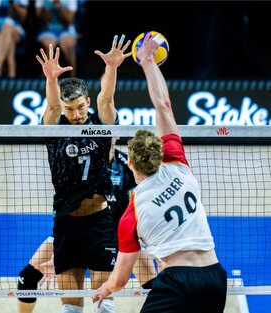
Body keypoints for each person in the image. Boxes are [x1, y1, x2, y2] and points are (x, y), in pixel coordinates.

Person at [93, 33, 227, 312]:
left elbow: (119, 277)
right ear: (160, 152)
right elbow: (163, 106)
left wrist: (107, 288)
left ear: (129, 164)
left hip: (177, 283)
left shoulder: (133, 210)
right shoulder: (179, 166)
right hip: (215, 277)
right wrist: (148, 63)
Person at [36, 35, 131, 313]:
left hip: (99, 222)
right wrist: (51, 80)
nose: (76, 115)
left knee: (103, 303)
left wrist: (111, 68)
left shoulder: (101, 125)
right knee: (71, 308)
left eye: (80, 107)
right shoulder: (55, 130)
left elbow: (107, 97)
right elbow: (52, 107)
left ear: (87, 102)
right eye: (70, 109)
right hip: (66, 224)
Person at [17, 137, 157, 313]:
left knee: (155, 287)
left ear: (116, 134)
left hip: (118, 237)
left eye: (109, 130)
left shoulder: (125, 164)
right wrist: (58, 257)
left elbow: (145, 196)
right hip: (79, 230)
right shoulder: (80, 161)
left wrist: (149, 238)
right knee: (26, 277)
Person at [35, 0, 78, 77]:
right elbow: (40, 20)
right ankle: (45, 79)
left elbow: (69, 20)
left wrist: (59, 6)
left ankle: (73, 79)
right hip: (47, 30)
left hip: (66, 30)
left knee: (68, 45)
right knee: (49, 46)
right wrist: (49, 6)